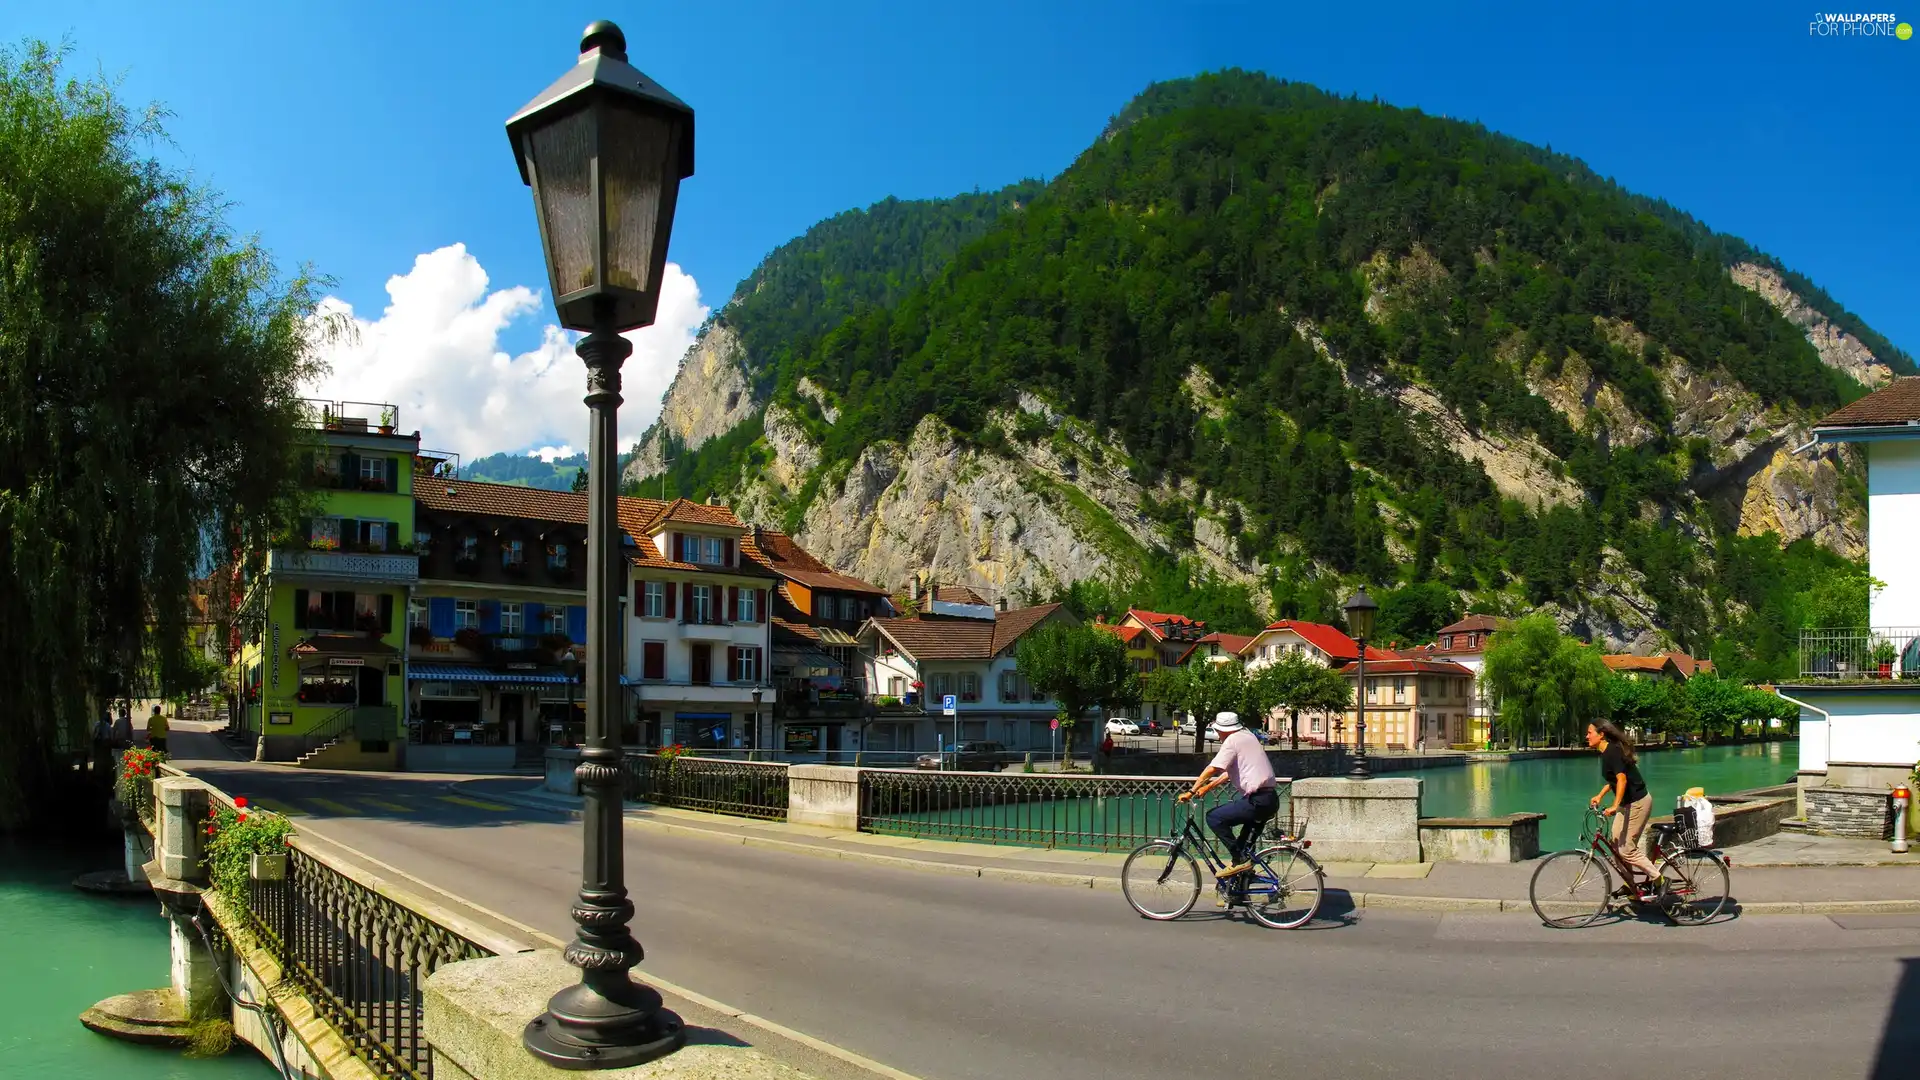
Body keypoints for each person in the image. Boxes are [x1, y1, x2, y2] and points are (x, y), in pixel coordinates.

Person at [1179, 711, 1279, 879]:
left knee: (1214, 818)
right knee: (1242, 847)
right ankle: (1237, 887)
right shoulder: (1247, 736)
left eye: (1218, 731)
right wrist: (1207, 787)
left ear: (1225, 730)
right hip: (1269, 799)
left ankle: (1240, 860)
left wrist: (1191, 791)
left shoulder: (1232, 740)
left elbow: (1214, 768)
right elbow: (1229, 772)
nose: (1217, 734)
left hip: (1258, 801)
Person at [1587, 719, 1661, 894]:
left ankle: (1659, 879)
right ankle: (1630, 885)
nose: (1587, 736)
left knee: (1626, 849)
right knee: (1615, 842)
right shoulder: (1605, 753)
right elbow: (1613, 780)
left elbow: (1622, 779)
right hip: (1627, 803)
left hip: (1638, 802)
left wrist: (1614, 805)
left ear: (1601, 734)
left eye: (1590, 732)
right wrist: (1600, 795)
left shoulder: (1612, 751)